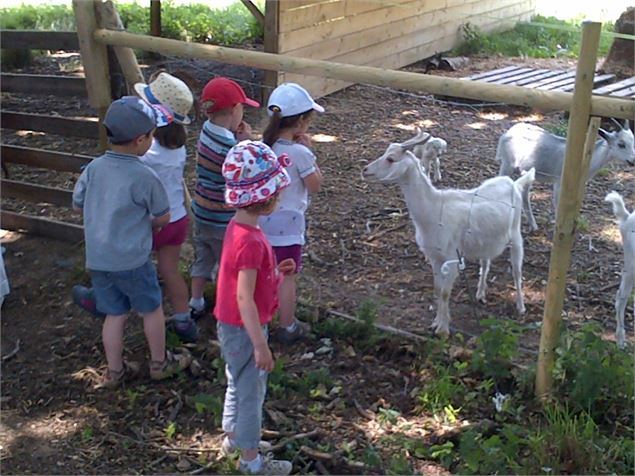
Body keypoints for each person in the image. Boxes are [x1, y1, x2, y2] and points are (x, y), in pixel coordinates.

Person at [72, 97, 191, 388]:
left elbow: (78, 205)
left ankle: (114, 371)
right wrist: (147, 223)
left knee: (114, 313)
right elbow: (163, 217)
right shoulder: (144, 176)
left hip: (99, 258)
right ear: (141, 140)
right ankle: (160, 362)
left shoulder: (94, 168)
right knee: (151, 308)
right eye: (151, 135)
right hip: (133, 260)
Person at [216, 140, 294, 475]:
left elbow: (240, 280)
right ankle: (251, 462)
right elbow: (244, 296)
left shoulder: (238, 227)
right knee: (251, 392)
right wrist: (260, 345)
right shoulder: (249, 241)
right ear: (265, 198)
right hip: (245, 328)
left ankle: (234, 438)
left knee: (238, 380)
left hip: (231, 324)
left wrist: (275, 273)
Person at [189, 77, 259, 320]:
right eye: (243, 108)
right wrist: (246, 142)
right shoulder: (231, 148)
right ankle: (224, 306)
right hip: (222, 218)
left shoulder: (207, 131)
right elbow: (243, 168)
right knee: (225, 263)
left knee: (202, 257)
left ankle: (195, 301)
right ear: (234, 110)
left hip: (201, 211)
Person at [136, 72, 198, 342]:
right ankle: (183, 319)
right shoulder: (177, 148)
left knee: (135, 268)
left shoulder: (144, 152)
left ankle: (137, 313)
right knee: (170, 270)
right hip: (177, 219)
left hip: (149, 221)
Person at [260, 83, 324, 343]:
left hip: (261, 223)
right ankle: (287, 326)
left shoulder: (263, 148)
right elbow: (315, 185)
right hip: (289, 229)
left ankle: (261, 320)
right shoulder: (300, 153)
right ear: (300, 123)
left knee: (263, 273)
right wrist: (311, 154)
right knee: (287, 277)